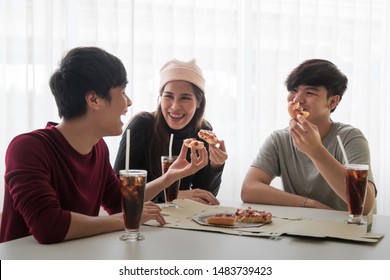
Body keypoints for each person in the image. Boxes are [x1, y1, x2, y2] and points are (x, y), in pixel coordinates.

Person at [0, 47, 208, 244]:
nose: (129, 102)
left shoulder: (98, 148)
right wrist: (123, 220)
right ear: (94, 99)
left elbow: (119, 202)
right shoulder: (27, 148)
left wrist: (170, 177)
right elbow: (48, 226)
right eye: (123, 92)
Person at [241, 59, 376, 214]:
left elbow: (364, 205)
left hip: (346, 230)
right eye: (293, 90)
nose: (297, 99)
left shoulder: (350, 137)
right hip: (300, 228)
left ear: (332, 101)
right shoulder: (280, 139)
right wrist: (309, 204)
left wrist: (316, 151)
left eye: (310, 92)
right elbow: (249, 189)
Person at [114, 59, 228, 205]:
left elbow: (205, 195)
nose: (175, 106)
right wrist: (174, 195)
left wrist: (216, 166)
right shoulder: (141, 125)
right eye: (168, 96)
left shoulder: (202, 132)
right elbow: (120, 191)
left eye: (185, 98)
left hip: (182, 219)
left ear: (199, 102)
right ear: (160, 98)